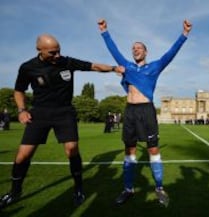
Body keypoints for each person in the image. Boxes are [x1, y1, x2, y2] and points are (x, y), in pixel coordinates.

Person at [0, 33, 125, 210]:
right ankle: (14, 192)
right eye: (52, 52)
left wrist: (114, 68)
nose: (57, 55)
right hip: (39, 113)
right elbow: (19, 91)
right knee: (23, 155)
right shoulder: (28, 67)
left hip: (64, 112)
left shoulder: (67, 62)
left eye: (59, 51)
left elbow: (94, 66)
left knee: (72, 149)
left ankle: (78, 189)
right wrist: (22, 110)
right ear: (39, 50)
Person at [97, 18, 192, 207]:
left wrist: (184, 34)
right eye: (133, 48)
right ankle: (128, 188)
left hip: (146, 111)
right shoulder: (127, 66)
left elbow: (170, 54)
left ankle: (159, 188)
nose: (135, 49)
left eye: (139, 47)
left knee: (153, 150)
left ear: (146, 51)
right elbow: (114, 50)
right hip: (130, 111)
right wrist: (104, 31)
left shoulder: (155, 66)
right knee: (129, 151)